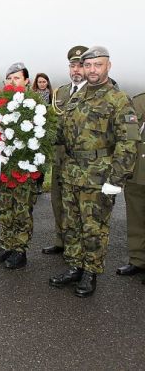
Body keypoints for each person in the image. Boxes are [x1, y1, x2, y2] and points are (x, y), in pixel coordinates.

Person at [49, 46, 138, 297]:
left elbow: (128, 141)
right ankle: (75, 266)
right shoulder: (76, 96)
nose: (92, 70)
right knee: (71, 224)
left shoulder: (118, 99)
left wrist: (117, 178)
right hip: (71, 172)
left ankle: (91, 272)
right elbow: (62, 133)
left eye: (97, 65)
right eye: (88, 65)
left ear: (108, 66)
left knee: (94, 227)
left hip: (99, 175)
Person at [0, 63, 38, 269]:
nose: (12, 82)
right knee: (6, 207)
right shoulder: (0, 103)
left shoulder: (34, 104)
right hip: (4, 167)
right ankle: (6, 245)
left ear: (26, 81)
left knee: (22, 210)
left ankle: (20, 250)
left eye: (16, 78)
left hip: (24, 169)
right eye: (9, 78)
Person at [42, 45, 88, 255]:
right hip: (59, 158)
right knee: (57, 200)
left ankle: (79, 247)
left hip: (83, 163)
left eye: (80, 65)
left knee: (80, 206)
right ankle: (61, 240)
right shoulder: (59, 92)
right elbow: (52, 123)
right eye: (72, 65)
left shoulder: (95, 92)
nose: (76, 70)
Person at [116, 91, 145, 279]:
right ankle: (137, 259)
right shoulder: (138, 101)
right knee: (135, 215)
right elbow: (129, 134)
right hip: (138, 169)